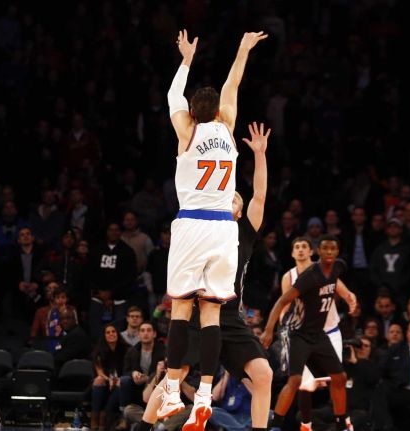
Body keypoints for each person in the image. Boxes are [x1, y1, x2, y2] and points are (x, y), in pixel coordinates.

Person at [157, 29, 267, 431]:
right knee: (212, 315)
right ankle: (204, 392)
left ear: (192, 113)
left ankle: (172, 390)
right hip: (225, 230)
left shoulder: (187, 132)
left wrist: (186, 60)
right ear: (218, 110)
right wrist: (242, 48)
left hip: (193, 224)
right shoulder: (227, 126)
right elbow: (233, 82)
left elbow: (173, 97)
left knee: (181, 309)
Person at [138, 122, 273, 431]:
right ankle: (142, 427)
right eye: (228, 196)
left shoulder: (245, 233)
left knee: (263, 374)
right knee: (177, 375)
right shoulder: (201, 225)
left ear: (238, 211)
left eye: (236, 198)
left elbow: (261, 196)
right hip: (199, 314)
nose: (232, 199)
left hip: (230, 317)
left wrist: (260, 155)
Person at [261, 235, 353, 431]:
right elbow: (282, 303)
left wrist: (351, 299)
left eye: (332, 249)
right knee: (297, 381)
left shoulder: (336, 268)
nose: (329, 252)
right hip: (300, 333)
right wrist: (271, 329)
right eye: (297, 246)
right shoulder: (305, 277)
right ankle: (282, 425)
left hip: (324, 332)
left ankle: (341, 423)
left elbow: (340, 287)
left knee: (339, 377)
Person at [119, 322, 165, 428]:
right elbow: (125, 371)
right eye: (142, 331)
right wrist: (133, 373)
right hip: (138, 395)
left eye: (149, 330)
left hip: (156, 392)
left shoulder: (163, 350)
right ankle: (156, 425)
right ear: (139, 334)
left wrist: (149, 378)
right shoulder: (132, 351)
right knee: (128, 409)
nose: (145, 333)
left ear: (154, 334)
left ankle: (146, 423)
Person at [91, 323, 129, 431]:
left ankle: (103, 418)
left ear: (117, 334)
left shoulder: (127, 349)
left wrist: (116, 380)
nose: (111, 334)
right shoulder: (98, 352)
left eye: (113, 332)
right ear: (104, 336)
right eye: (108, 332)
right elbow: (100, 372)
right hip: (106, 382)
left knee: (120, 383)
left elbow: (128, 370)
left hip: (121, 382)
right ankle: (95, 418)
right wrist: (109, 380)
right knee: (99, 381)